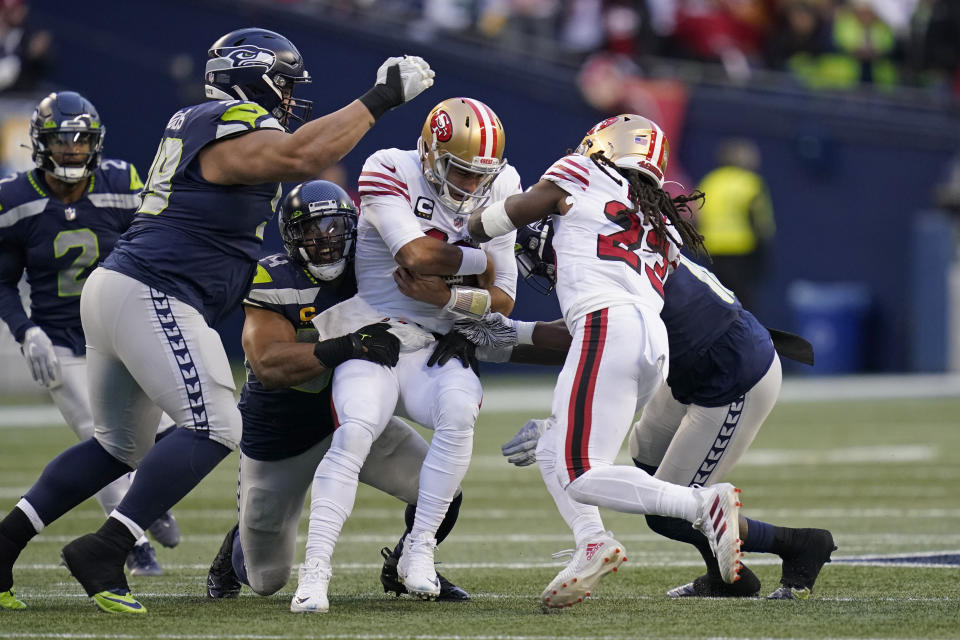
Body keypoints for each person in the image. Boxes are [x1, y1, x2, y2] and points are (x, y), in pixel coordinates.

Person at [0, 27, 435, 614]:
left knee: (116, 448)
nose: (289, 96)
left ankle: (3, 546)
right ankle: (110, 546)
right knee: (215, 423)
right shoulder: (222, 123)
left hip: (124, 288)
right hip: (155, 288)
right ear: (250, 77)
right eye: (283, 83)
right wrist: (378, 98)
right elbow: (303, 155)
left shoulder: (208, 124)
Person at [465, 113, 745, 609]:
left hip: (608, 324)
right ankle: (592, 542)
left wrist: (464, 225)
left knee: (581, 472)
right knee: (557, 444)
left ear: (605, 144)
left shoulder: (582, 170)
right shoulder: (661, 220)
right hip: (649, 341)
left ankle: (702, 504)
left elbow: (507, 216)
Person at [498, 220, 837, 600]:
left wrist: (507, 338)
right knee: (647, 461)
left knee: (666, 513)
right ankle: (730, 578)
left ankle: (799, 544)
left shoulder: (596, 261)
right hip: (695, 364)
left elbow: (596, 339)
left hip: (730, 373)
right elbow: (593, 340)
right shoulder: (612, 239)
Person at [203, 180, 468, 613]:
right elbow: (269, 365)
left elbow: (439, 300)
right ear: (291, 238)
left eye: (333, 227)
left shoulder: (374, 266)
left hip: (352, 420)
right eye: (311, 230)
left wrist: (461, 331)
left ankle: (404, 565)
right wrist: (347, 346)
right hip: (282, 437)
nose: (325, 241)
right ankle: (233, 553)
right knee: (266, 580)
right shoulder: (274, 278)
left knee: (443, 486)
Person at [302, 97, 521, 606]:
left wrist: (446, 296)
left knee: (461, 410)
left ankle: (419, 549)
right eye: (459, 171)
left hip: (434, 347)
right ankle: (315, 571)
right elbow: (414, 253)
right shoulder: (389, 167)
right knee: (355, 432)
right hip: (371, 335)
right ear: (429, 153)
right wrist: (480, 258)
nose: (470, 185)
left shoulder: (504, 184)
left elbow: (504, 298)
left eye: (480, 174)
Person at [0, 92, 181, 597]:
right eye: (63, 140)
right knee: (102, 438)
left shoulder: (122, 182)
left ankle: (148, 496)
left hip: (121, 333)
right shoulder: (15, 198)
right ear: (41, 144)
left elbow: (152, 243)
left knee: (174, 430)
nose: (74, 151)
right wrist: (24, 329)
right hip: (60, 342)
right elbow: (0, 280)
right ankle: (133, 540)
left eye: (82, 141)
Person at [694, 138, 775, 311]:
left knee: (718, 302)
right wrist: (764, 252)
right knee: (744, 304)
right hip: (742, 251)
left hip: (712, 251)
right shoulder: (750, 183)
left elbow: (698, 216)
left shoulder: (710, 181)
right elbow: (759, 221)